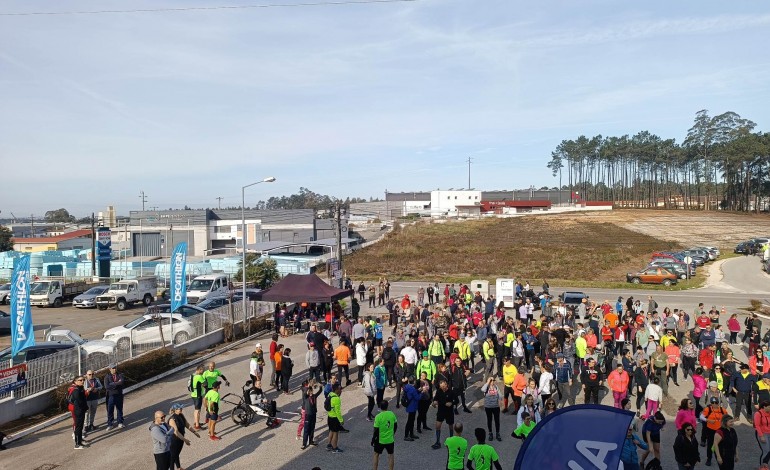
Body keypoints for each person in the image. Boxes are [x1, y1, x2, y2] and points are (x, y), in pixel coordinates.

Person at [168, 403, 199, 470]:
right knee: (172, 457)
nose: (181, 409)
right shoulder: (172, 419)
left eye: (181, 408)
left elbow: (187, 424)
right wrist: (185, 440)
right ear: (175, 410)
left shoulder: (181, 415)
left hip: (180, 438)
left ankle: (179, 468)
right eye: (180, 408)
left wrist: (194, 432)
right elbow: (176, 432)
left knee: (177, 454)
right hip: (174, 440)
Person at [701, 397, 728, 466]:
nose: (714, 404)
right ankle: (709, 458)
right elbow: (701, 417)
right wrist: (708, 420)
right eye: (712, 403)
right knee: (710, 444)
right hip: (710, 430)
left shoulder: (722, 410)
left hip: (720, 430)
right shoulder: (708, 409)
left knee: (721, 444)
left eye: (716, 402)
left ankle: (721, 457)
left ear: (718, 403)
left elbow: (727, 418)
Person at [372, 399, 397, 470]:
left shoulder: (378, 416)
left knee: (376, 455)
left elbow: (376, 430)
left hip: (380, 440)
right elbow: (395, 425)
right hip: (390, 439)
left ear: (380, 407)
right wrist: (392, 434)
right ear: (387, 406)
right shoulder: (392, 414)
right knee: (390, 455)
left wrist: (373, 439)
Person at [480, 376, 503, 442]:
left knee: (497, 420)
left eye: (493, 380)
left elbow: (500, 394)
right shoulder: (486, 387)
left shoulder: (496, 387)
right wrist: (487, 382)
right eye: (491, 380)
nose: (492, 382)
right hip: (488, 407)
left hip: (496, 407)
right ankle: (490, 433)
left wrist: (500, 400)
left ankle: (498, 433)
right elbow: (482, 390)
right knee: (489, 420)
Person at [69, 376, 88, 449]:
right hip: (78, 410)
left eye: (83, 380)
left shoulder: (80, 388)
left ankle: (80, 440)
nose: (82, 381)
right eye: (80, 380)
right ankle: (77, 444)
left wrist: (85, 407)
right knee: (78, 427)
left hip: (81, 410)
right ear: (75, 381)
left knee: (80, 426)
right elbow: (79, 401)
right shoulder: (76, 390)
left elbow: (83, 399)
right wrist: (84, 407)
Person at [105, 363, 125, 430]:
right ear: (110, 369)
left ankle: (120, 422)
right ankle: (110, 424)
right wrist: (116, 383)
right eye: (113, 368)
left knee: (119, 409)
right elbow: (107, 386)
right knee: (110, 410)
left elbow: (122, 382)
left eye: (115, 368)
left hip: (119, 394)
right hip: (111, 396)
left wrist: (112, 384)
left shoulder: (120, 375)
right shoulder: (107, 377)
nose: (114, 369)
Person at [327, 383, 345, 453]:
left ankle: (329, 444)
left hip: (329, 416)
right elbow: (338, 412)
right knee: (336, 433)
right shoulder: (336, 399)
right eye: (340, 389)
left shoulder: (330, 394)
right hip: (335, 418)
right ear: (337, 389)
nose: (341, 390)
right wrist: (341, 420)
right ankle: (335, 448)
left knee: (331, 430)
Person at [189, 364, 206, 430]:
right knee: (197, 411)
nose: (203, 371)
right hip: (198, 395)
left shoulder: (192, 375)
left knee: (196, 409)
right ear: (199, 370)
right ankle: (197, 425)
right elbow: (205, 384)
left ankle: (196, 422)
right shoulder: (199, 377)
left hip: (193, 395)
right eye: (203, 370)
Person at [754, 400, 770, 468]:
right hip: (763, 434)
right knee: (766, 451)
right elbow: (757, 425)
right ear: (764, 407)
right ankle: (763, 467)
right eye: (769, 407)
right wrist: (761, 436)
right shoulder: (758, 414)